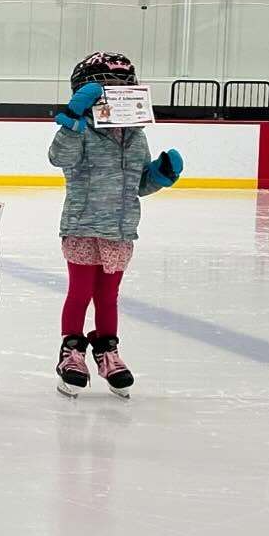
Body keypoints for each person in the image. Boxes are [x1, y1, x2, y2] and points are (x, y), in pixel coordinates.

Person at [49, 52, 183, 398]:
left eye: (123, 85)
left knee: (108, 296)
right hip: (83, 225)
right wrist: (73, 118)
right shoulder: (80, 130)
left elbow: (137, 184)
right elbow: (57, 158)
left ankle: (107, 350)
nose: (115, 92)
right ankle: (71, 352)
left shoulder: (136, 136)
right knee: (79, 293)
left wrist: (159, 176)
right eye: (106, 87)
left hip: (121, 230)